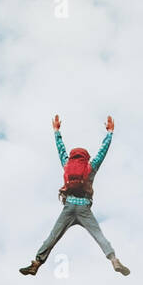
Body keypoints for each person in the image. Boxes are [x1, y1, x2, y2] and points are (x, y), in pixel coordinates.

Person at [19, 115, 130, 276]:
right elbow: (102, 151)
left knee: (53, 236)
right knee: (99, 235)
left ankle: (36, 263)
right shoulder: (90, 166)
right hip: (84, 207)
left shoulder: (67, 164)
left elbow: (60, 149)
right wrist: (110, 132)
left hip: (69, 206)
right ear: (86, 158)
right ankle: (114, 259)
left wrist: (57, 131)